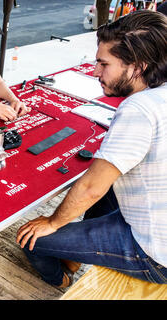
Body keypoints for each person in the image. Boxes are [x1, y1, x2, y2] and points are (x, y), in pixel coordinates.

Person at [16, 10, 167, 288]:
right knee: (109, 188)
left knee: (29, 238)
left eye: (103, 63)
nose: (95, 71)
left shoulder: (138, 108)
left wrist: (52, 221)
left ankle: (60, 280)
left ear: (138, 67)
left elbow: (90, 189)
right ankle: (73, 258)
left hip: (155, 254)